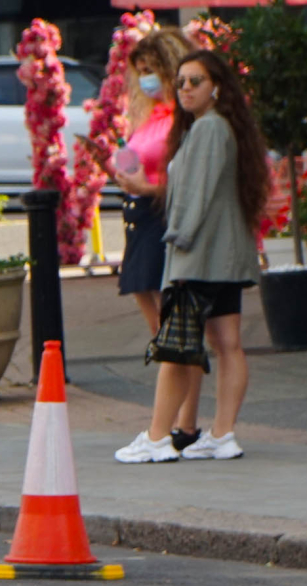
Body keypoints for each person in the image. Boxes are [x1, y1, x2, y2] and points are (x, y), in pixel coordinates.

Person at [114, 49, 270, 464]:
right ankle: (221, 434)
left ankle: (158, 436)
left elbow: (195, 197)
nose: (185, 88)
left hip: (197, 255)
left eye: (195, 81)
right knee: (226, 343)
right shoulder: (222, 128)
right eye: (181, 81)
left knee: (176, 345)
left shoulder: (206, 130)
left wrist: (177, 241)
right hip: (224, 258)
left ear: (216, 86)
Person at [108, 29, 200, 457]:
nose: (144, 80)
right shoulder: (151, 116)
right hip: (140, 219)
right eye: (139, 72)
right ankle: (178, 422)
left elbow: (186, 180)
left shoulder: (185, 119)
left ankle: (180, 425)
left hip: (162, 218)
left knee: (175, 330)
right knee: (161, 328)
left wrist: (148, 187)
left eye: (150, 71)